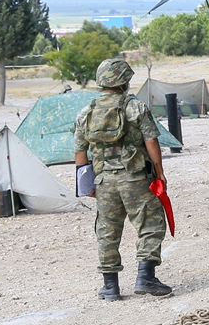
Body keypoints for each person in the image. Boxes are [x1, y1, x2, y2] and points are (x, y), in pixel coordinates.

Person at [73, 58, 171, 301]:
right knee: (150, 223)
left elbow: (79, 153)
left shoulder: (86, 112)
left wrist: (87, 185)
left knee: (107, 230)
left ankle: (110, 287)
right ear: (124, 82)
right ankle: (145, 278)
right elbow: (151, 143)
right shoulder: (135, 108)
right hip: (136, 178)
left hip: (104, 181)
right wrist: (159, 173)